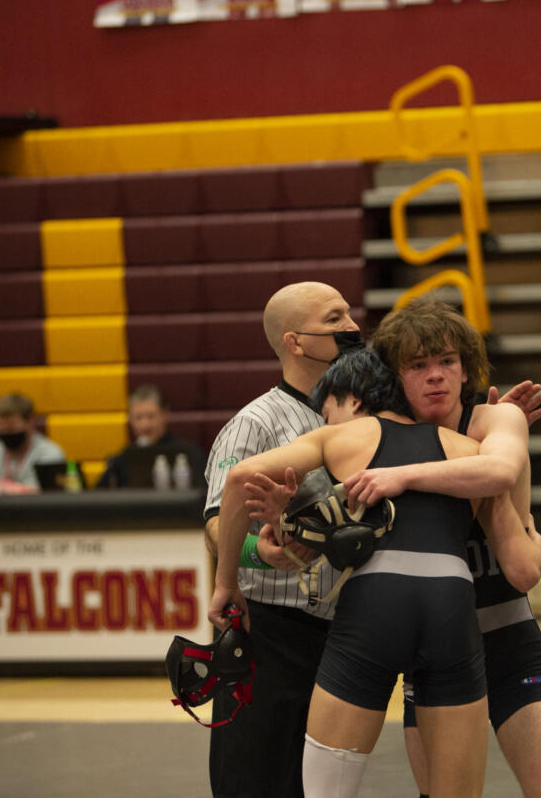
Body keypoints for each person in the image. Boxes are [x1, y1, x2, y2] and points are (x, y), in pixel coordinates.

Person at [210, 348, 541, 798]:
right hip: (452, 610)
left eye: (327, 413)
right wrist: (533, 533)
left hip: (375, 610)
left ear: (352, 400)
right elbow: (523, 567)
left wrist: (225, 582)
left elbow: (237, 481)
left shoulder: (341, 441)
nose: (326, 425)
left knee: (329, 789)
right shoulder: (470, 452)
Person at [351, 298, 541, 798]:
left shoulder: (493, 422)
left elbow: (522, 568)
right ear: (396, 374)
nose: (436, 376)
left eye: (447, 362)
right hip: (432, 653)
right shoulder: (380, 434)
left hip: (508, 640)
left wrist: (404, 474)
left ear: (466, 368)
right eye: (419, 364)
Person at [200, 281, 362, 798]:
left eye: (349, 314)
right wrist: (258, 553)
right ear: (295, 342)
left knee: (320, 784)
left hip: (344, 631)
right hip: (271, 630)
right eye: (334, 320)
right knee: (256, 777)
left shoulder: (361, 417)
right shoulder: (255, 423)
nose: (352, 327)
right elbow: (212, 523)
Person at [96, 384, 206, 489]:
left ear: (164, 415)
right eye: (139, 418)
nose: (145, 425)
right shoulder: (121, 460)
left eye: (151, 416)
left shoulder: (189, 454)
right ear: (130, 420)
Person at [0, 392, 66, 495]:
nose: (7, 433)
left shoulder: (49, 454)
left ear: (30, 422)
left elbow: (44, 493)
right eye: (1, 428)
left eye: (12, 428)